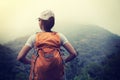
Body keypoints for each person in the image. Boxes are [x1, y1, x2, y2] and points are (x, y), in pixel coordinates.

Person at [17, 10, 77, 80]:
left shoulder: (34, 37)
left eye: (39, 20)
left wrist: (32, 62)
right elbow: (73, 54)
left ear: (41, 22)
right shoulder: (60, 36)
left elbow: (20, 57)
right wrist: (63, 61)